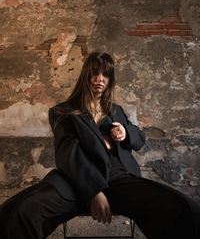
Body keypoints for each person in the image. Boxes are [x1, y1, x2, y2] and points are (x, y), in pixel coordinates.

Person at [0, 51, 200, 239]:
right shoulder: (63, 112)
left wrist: (126, 132)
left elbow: (139, 140)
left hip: (119, 178)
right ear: (86, 75)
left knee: (183, 206)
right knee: (23, 210)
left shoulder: (116, 111)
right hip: (76, 179)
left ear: (110, 79)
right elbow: (69, 155)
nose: (100, 79)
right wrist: (94, 191)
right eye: (94, 73)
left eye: (106, 74)